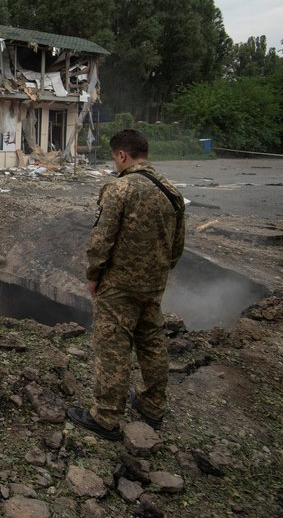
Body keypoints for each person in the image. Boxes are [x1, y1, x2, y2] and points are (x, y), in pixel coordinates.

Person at [67, 128, 185, 441]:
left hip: (118, 287)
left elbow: (101, 239)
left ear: (122, 155)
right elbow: (177, 246)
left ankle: (106, 417)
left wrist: (94, 275)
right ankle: (152, 406)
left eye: (114, 157)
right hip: (153, 285)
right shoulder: (171, 190)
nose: (114, 163)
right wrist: (158, 272)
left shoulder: (119, 189)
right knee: (152, 342)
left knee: (113, 348)